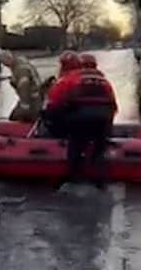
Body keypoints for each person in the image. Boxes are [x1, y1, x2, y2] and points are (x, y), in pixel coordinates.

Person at [44, 52, 118, 183]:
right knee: (99, 150)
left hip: (79, 121)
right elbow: (114, 107)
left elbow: (52, 106)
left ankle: (74, 178)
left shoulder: (68, 79)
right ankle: (100, 179)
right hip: (103, 121)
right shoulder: (104, 81)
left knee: (76, 146)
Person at [0, 51, 42, 122]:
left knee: (15, 118)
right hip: (34, 96)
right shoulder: (19, 63)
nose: (7, 67)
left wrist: (24, 108)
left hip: (33, 99)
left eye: (6, 64)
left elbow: (24, 88)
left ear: (9, 59)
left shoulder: (20, 69)